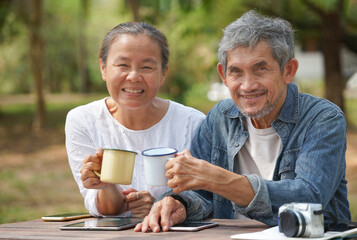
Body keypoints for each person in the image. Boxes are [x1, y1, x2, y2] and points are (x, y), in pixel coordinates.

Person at [134, 10, 351, 232]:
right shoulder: (220, 118)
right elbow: (201, 194)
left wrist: (220, 180)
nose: (247, 86)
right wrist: (180, 204)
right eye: (236, 72)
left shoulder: (323, 118)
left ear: (288, 70)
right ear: (223, 75)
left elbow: (309, 199)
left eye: (260, 69)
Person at [65, 22, 205, 218]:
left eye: (146, 67)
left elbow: (205, 199)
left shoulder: (193, 123)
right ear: (103, 68)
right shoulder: (82, 121)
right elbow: (103, 207)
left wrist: (161, 206)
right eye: (122, 65)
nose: (133, 76)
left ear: (163, 73)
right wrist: (106, 187)